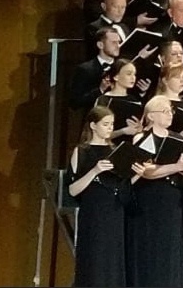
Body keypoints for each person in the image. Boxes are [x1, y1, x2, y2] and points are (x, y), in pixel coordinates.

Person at [125, 97, 183, 287]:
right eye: (165, 111)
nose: (170, 115)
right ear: (151, 115)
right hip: (151, 198)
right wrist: (176, 167)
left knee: (170, 249)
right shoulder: (142, 138)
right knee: (151, 247)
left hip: (173, 198)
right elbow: (147, 171)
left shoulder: (177, 138)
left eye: (171, 111)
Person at [66, 106, 128, 288]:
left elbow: (123, 183)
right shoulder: (82, 151)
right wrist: (95, 171)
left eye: (112, 124)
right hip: (93, 211)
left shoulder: (115, 150)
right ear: (93, 125)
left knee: (112, 259)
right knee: (93, 258)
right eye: (106, 124)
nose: (110, 128)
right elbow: (72, 190)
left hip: (114, 210)